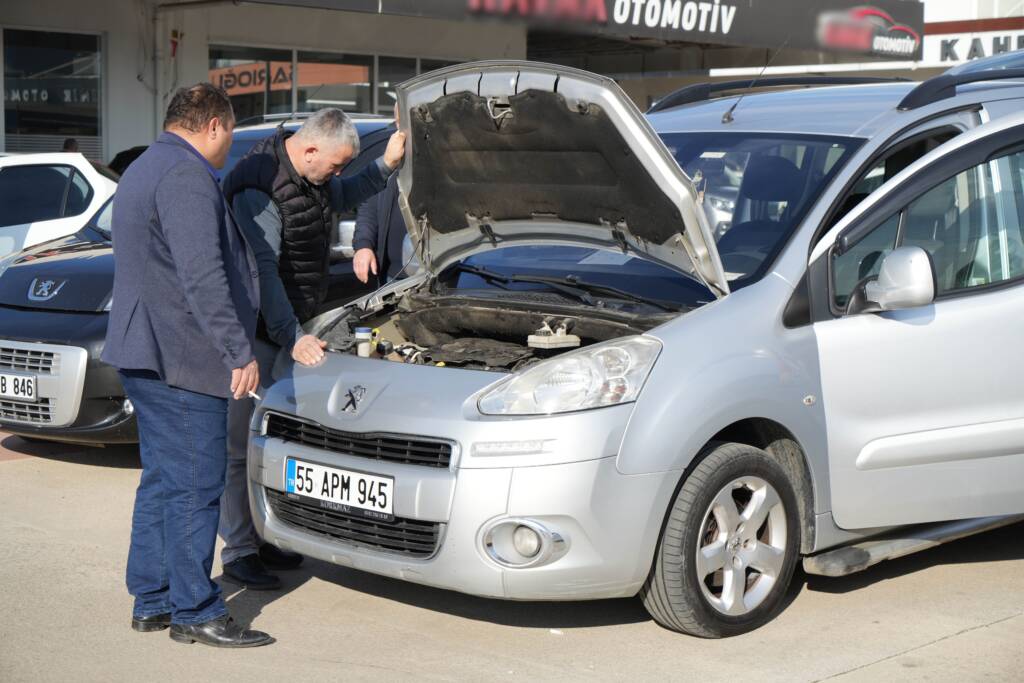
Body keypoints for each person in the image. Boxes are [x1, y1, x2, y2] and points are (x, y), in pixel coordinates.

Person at [102, 83, 273, 648]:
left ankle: (151, 600)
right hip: (182, 358)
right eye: (229, 133)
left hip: (144, 351)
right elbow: (203, 276)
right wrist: (237, 352)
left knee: (163, 482)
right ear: (215, 126)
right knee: (196, 486)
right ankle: (195, 610)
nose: (227, 146)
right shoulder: (184, 176)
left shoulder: (145, 166)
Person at [218, 108, 406, 589]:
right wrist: (293, 336)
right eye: (336, 164)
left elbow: (346, 193)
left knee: (275, 442)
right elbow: (263, 272)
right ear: (309, 149)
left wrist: (384, 164)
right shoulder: (260, 189)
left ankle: (267, 534)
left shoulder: (312, 179)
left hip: (283, 328)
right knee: (240, 447)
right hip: (255, 333)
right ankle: (240, 549)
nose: (337, 174)